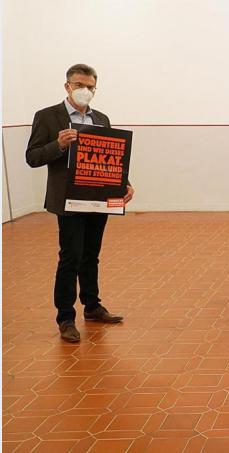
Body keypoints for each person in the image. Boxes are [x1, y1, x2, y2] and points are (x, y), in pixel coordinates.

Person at [25, 64, 134, 343]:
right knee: (70, 256)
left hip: (98, 198)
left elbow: (111, 156)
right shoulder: (48, 117)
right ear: (67, 86)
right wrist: (59, 144)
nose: (84, 91)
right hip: (68, 200)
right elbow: (33, 157)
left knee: (90, 254)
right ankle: (65, 317)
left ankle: (92, 306)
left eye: (89, 87)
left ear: (95, 89)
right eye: (78, 85)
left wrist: (124, 184)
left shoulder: (101, 118)